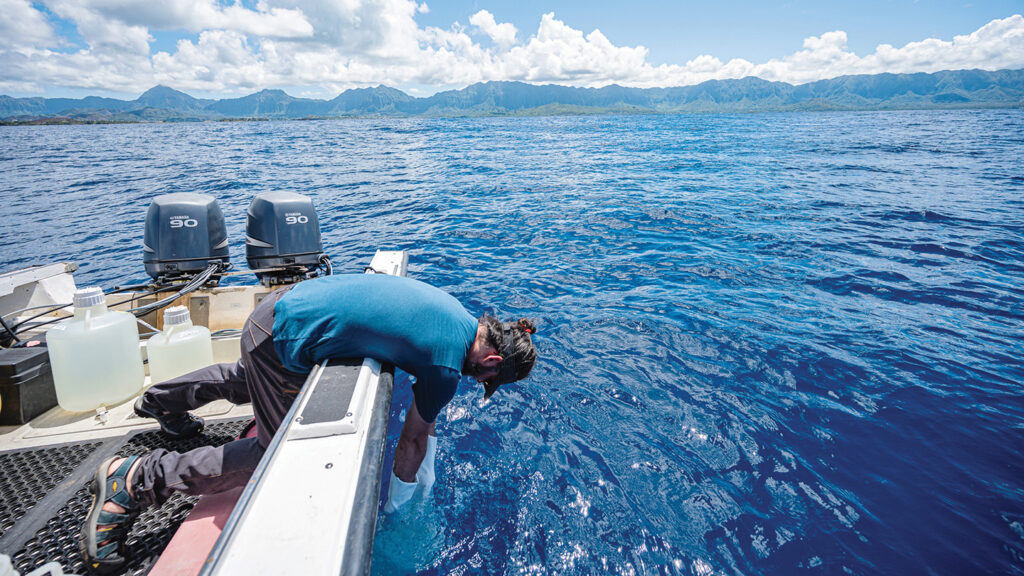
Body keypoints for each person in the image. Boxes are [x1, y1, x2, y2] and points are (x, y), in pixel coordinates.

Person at [79, 273, 537, 574]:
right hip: (280, 338)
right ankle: (137, 479)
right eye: (488, 380)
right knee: (273, 458)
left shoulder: (457, 316)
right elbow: (412, 444)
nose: (479, 384)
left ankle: (162, 402)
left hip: (281, 311)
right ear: (492, 360)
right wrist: (400, 510)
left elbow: (421, 408)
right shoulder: (447, 368)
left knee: (248, 378)